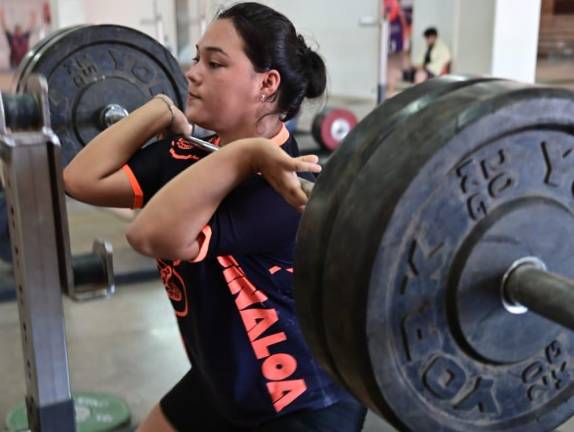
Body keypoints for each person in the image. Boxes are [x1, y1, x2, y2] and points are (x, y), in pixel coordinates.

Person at [63, 3, 366, 432]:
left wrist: (246, 154)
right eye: (196, 59)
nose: (193, 73)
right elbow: (79, 179)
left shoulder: (284, 190)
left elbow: (150, 236)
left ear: (267, 84)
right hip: (225, 378)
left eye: (215, 63)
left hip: (297, 402)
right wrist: (158, 109)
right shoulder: (189, 154)